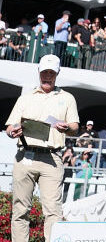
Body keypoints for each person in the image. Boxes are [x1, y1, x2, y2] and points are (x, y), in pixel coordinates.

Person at [5, 54, 80, 242]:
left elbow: (75, 127)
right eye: (44, 72)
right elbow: (9, 127)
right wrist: (13, 131)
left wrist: (67, 127)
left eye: (51, 73)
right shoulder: (25, 98)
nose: (47, 76)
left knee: (53, 210)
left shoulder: (67, 98)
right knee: (20, 209)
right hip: (25, 155)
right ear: (38, 72)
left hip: (52, 158)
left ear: (57, 74)